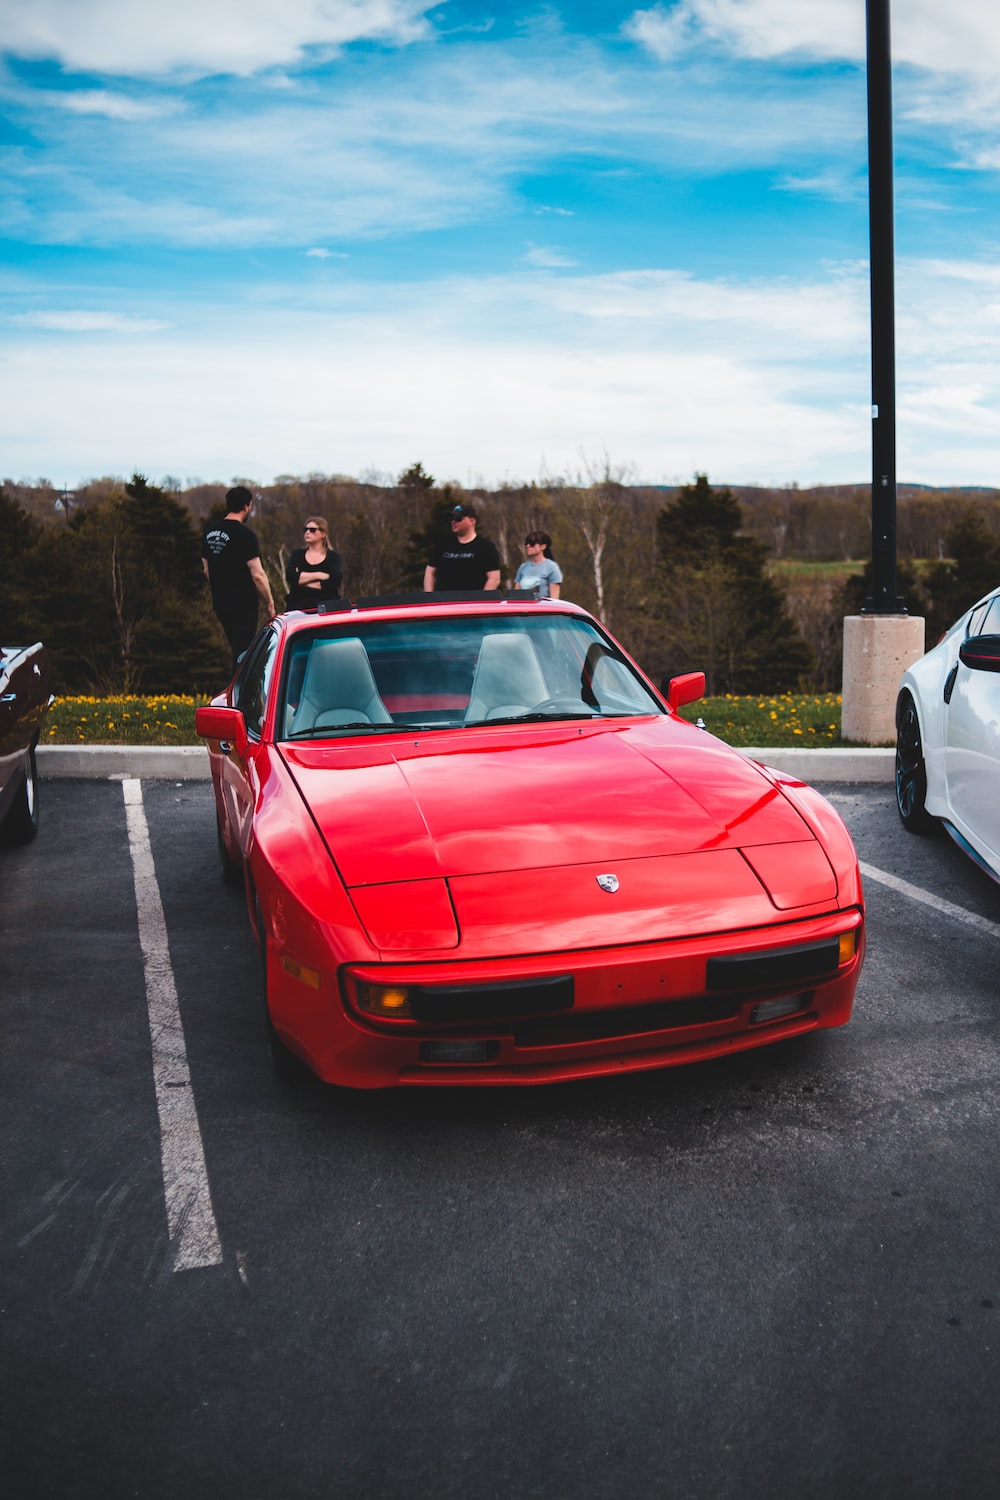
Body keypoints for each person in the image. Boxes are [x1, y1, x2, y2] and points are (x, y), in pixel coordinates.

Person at [201, 485, 276, 669]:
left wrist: (220, 588)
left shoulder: (209, 532)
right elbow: (257, 574)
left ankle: (237, 691)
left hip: (220, 600)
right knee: (244, 653)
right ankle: (239, 693)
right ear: (246, 506)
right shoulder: (245, 535)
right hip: (243, 602)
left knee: (236, 648)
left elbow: (206, 570)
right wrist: (269, 601)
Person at [423, 504, 501, 592]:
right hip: (443, 602)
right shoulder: (443, 544)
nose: (454, 522)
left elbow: (494, 579)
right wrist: (430, 597)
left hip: (471, 603)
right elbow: (430, 572)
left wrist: (480, 602)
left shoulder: (486, 547)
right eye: (452, 518)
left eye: (458, 519)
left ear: (472, 521)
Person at [284, 516, 343, 610]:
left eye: (312, 530)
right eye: (305, 529)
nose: (307, 532)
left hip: (327, 608)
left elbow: (335, 581)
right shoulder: (297, 555)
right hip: (298, 608)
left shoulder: (333, 557)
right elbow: (291, 577)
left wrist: (302, 581)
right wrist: (319, 575)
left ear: (323, 533)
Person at [514, 531, 562, 598]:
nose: (528, 546)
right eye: (527, 543)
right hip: (523, 607)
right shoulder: (523, 567)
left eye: (532, 544)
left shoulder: (552, 567)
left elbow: (554, 599)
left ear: (543, 546)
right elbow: (516, 594)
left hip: (542, 607)